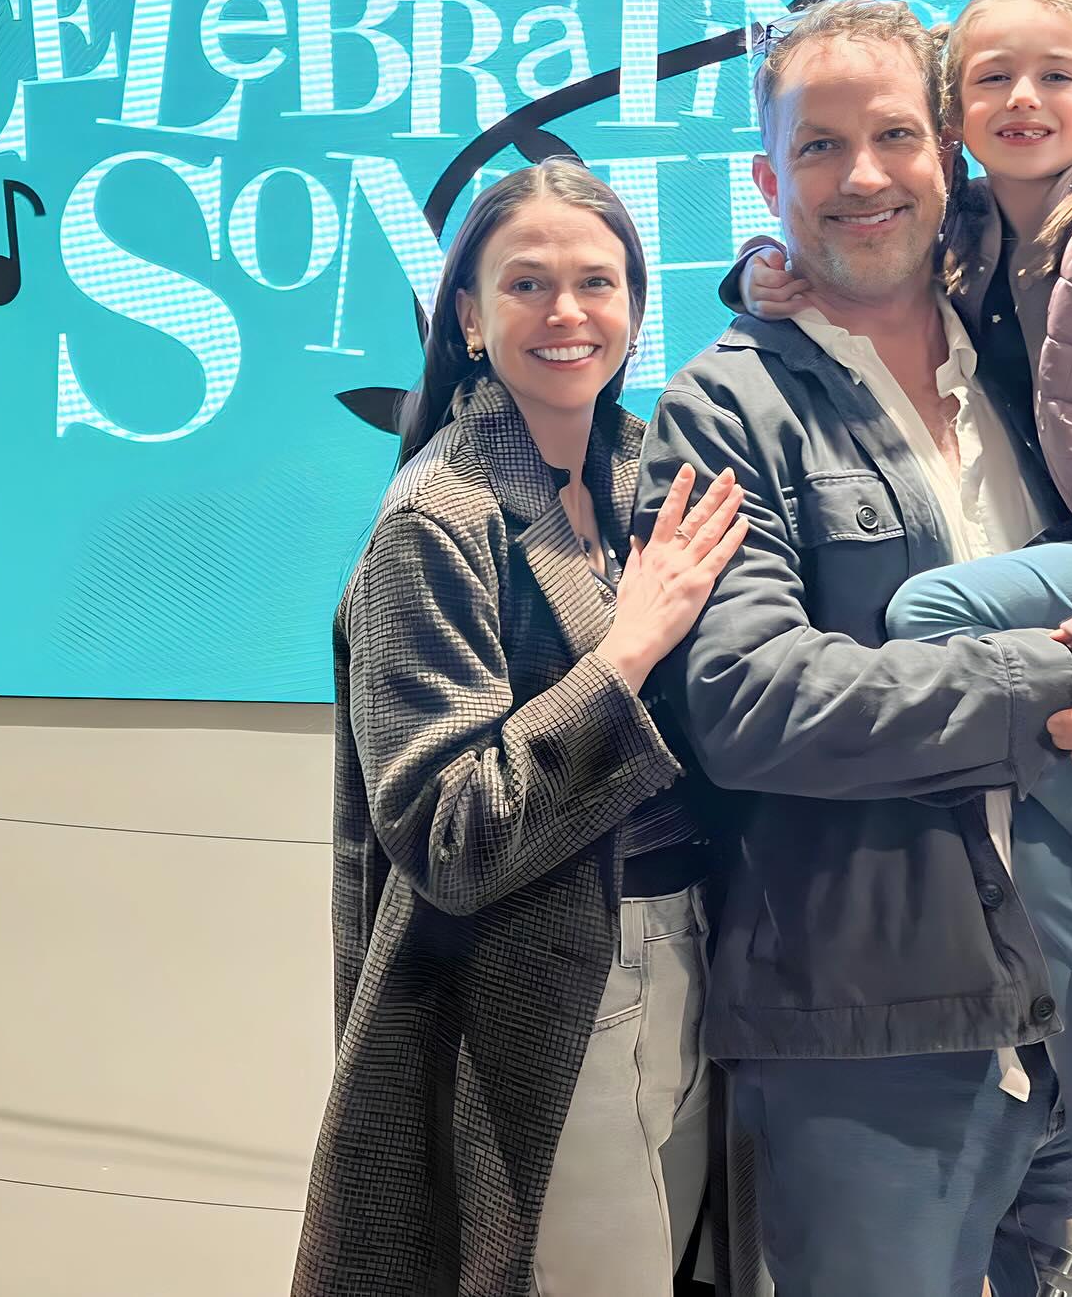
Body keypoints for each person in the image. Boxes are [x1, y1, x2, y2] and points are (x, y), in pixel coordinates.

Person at [634, 0, 1072, 1297]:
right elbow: (753, 704)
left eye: (896, 134)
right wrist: (1068, 677)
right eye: (820, 145)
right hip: (883, 1041)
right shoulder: (725, 409)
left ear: (948, 153)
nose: (864, 175)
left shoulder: (1045, 350)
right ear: (767, 181)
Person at [291, 159, 753, 1297]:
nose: (566, 312)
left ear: (635, 306)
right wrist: (625, 654)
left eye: (596, 281)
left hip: (695, 943)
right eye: (527, 283)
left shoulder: (648, 475)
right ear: (467, 314)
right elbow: (451, 834)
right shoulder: (435, 519)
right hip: (541, 992)